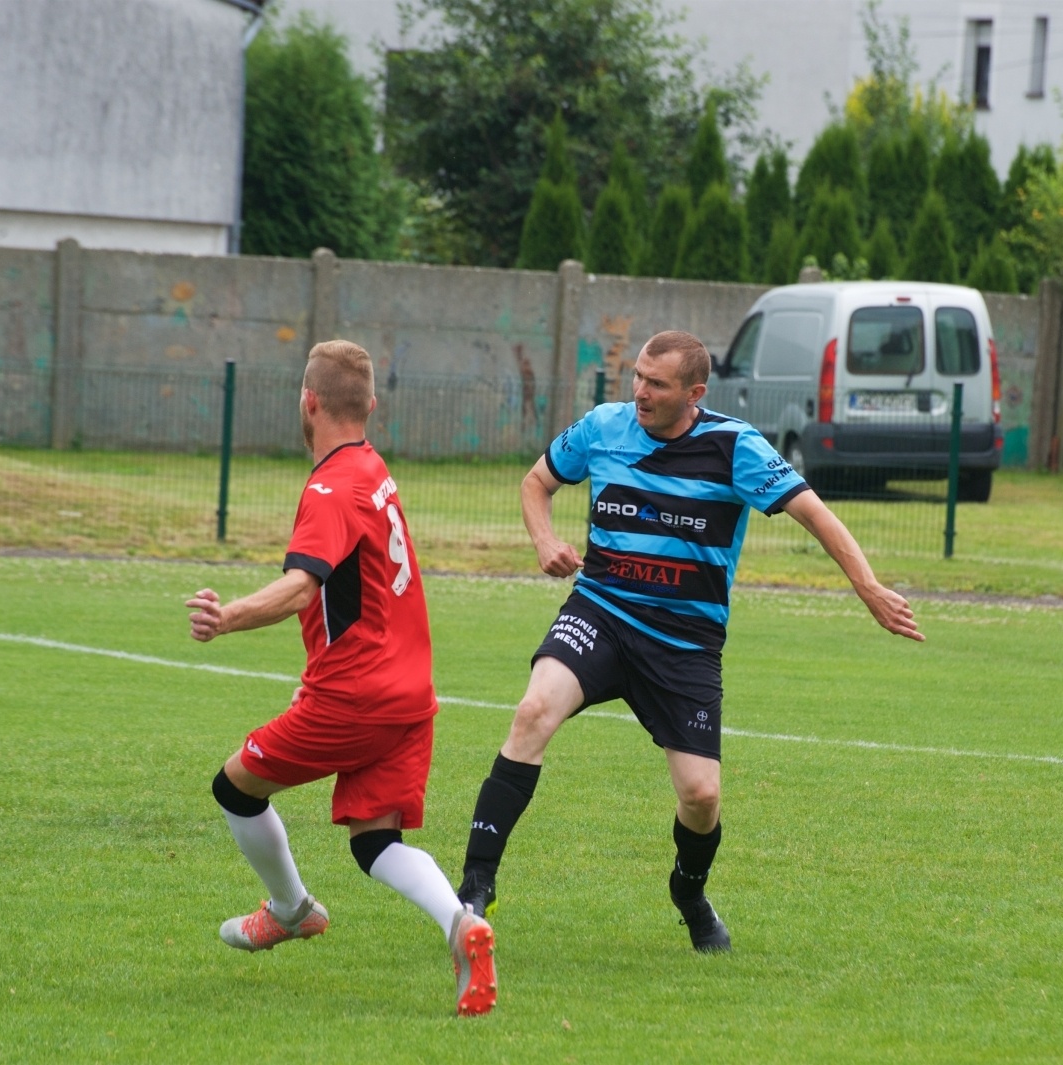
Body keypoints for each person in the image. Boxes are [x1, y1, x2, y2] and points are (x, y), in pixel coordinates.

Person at [454, 329, 923, 952]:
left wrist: (867, 587)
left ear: (694, 393)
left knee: (701, 797)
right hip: (601, 612)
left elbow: (816, 513)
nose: (640, 392)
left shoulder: (735, 447)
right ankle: (472, 892)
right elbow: (535, 483)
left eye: (657, 384)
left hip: (684, 644)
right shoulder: (603, 426)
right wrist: (544, 541)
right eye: (639, 377)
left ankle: (690, 894)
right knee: (533, 711)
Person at [184, 340, 496, 1016]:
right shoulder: (373, 468)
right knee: (375, 838)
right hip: (412, 693)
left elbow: (302, 587)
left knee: (235, 786)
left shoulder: (330, 485)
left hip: (354, 694)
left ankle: (292, 908)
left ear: (309, 401)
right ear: (371, 406)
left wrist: (227, 617)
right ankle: (461, 923)